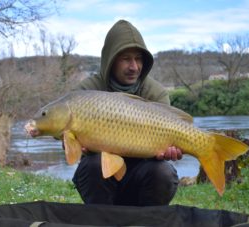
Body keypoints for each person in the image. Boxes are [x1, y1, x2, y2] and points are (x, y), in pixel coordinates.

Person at [72, 19, 183, 206]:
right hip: (102, 178)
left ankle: (148, 219)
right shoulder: (88, 90)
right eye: (126, 59)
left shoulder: (155, 93)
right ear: (111, 60)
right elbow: (63, 128)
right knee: (92, 166)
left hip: (143, 176)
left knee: (163, 171)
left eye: (138, 59)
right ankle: (102, 219)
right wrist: (73, 143)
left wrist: (168, 150)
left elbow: (167, 147)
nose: (134, 67)